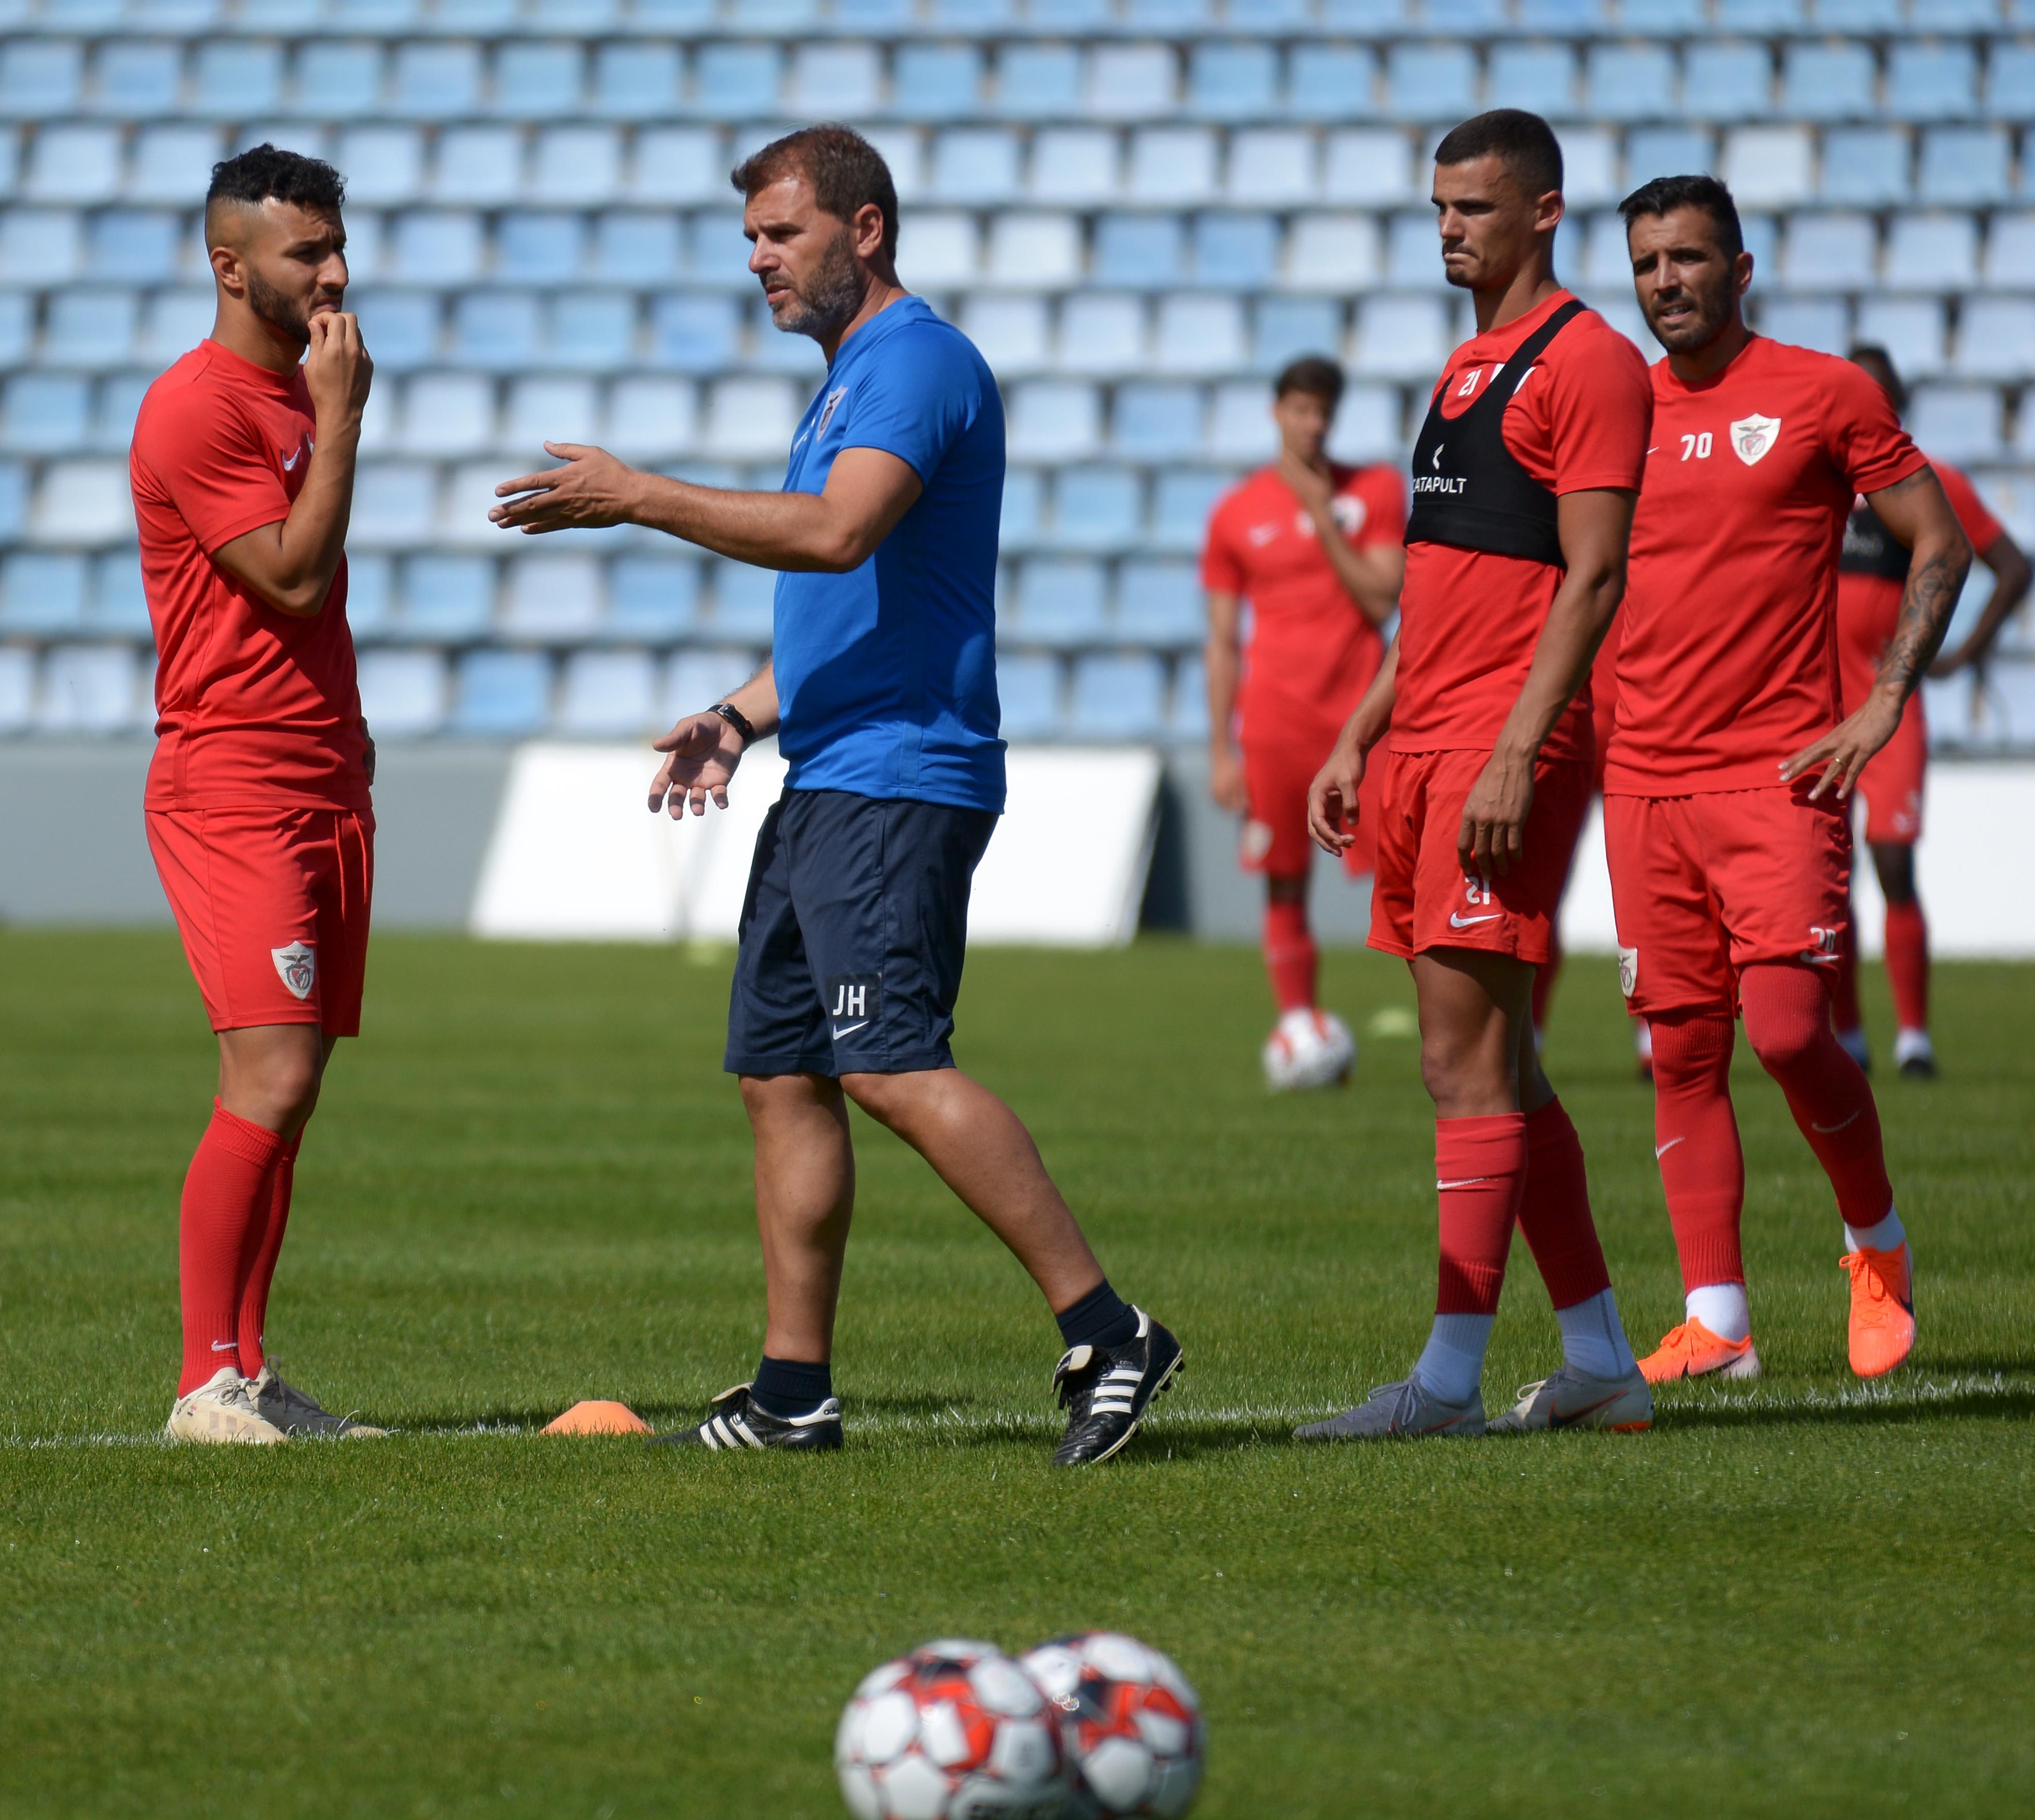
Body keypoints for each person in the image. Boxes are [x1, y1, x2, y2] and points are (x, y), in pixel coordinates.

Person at [489, 125, 1181, 1465]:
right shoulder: (846, 379)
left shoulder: (916, 362)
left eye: (782, 232)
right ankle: (791, 1390)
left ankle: (1108, 1328)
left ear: (863, 231)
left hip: (898, 778)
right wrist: (739, 715)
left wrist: (636, 495)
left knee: (891, 1065)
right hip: (827, 772)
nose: (757, 259)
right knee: (781, 1077)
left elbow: (833, 535)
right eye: (749, 235)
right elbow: (850, 605)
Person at [1298, 109, 1653, 1440]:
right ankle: (1601, 1364)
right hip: (1423, 747)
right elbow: (1446, 589)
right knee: (1504, 1063)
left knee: (1462, 1068)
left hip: (1498, 755)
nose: (1448, 228)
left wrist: (1513, 751)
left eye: (1474, 208)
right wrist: (1357, 730)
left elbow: (1594, 576)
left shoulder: (1588, 365)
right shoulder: (1463, 367)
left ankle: (1444, 1383)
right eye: (1438, 207)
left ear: (1545, 213)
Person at [1608, 176, 1970, 1387]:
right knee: (1680, 1051)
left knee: (1791, 1028)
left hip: (1777, 772)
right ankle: (1718, 1320)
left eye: (1691, 258)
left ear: (1741, 267)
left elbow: (1941, 537)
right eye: (1650, 261)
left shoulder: (1823, 392)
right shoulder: (1614, 409)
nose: (1668, 281)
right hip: (1644, 781)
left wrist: (1884, 698)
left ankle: (1876, 1243)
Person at [129, 145, 382, 1444]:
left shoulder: (292, 397)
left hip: (322, 772)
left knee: (297, 1084)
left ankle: (249, 1370)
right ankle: (200, 1382)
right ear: (231, 268)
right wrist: (341, 421)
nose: (336, 273)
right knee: (266, 1079)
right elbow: (286, 577)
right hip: (232, 783)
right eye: (307, 254)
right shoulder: (201, 407)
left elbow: (313, 614)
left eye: (338, 246)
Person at [1829, 343, 2035, 1079]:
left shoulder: (1928, 485)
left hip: (1889, 711)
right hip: (1815, 710)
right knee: (1826, 875)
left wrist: (1959, 656)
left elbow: (2011, 566)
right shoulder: (1813, 483)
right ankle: (1848, 1034)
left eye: (1875, 396)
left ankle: (1913, 1036)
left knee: (1892, 862)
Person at [1200, 355, 1404, 1089]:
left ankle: (1454, 1025)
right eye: (1300, 410)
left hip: (1362, 722)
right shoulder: (1236, 511)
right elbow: (1222, 639)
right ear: (1277, 412)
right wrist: (1221, 749)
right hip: (1275, 726)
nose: (1312, 424)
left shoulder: (1373, 491)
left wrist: (1321, 517)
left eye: (1324, 412)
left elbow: (1384, 601)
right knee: (1284, 883)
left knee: (1412, 871)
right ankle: (1297, 1022)